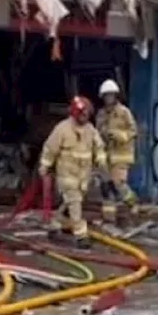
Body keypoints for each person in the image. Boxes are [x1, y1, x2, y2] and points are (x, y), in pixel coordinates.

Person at [39, 95, 108, 247]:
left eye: (87, 114)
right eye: (83, 114)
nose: (85, 117)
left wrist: (101, 160)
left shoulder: (90, 129)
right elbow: (50, 148)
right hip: (67, 176)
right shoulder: (62, 128)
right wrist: (45, 166)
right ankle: (81, 236)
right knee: (75, 204)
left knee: (69, 203)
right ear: (75, 113)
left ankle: (54, 225)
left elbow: (99, 147)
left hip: (83, 177)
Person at [95, 79, 139, 225]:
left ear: (116, 96)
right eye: (106, 96)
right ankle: (109, 217)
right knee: (106, 187)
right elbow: (97, 132)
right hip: (106, 156)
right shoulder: (101, 114)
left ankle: (133, 203)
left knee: (119, 183)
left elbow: (133, 131)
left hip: (121, 155)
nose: (109, 98)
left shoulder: (124, 112)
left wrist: (118, 135)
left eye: (111, 95)